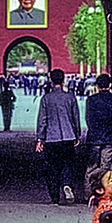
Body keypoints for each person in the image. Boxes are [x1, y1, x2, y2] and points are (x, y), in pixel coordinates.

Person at [35, 67, 81, 204]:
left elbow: (43, 120)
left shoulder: (46, 98)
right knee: (68, 164)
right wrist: (77, 135)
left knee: (52, 167)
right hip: (67, 137)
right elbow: (75, 118)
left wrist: (40, 139)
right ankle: (67, 184)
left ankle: (54, 196)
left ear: (50, 80)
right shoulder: (70, 97)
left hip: (51, 138)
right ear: (64, 79)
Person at [83, 72, 112, 196]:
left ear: (97, 86)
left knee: (91, 166)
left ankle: (89, 192)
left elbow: (88, 119)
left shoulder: (91, 100)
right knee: (107, 167)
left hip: (94, 138)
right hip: (109, 138)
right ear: (110, 85)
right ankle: (104, 193)